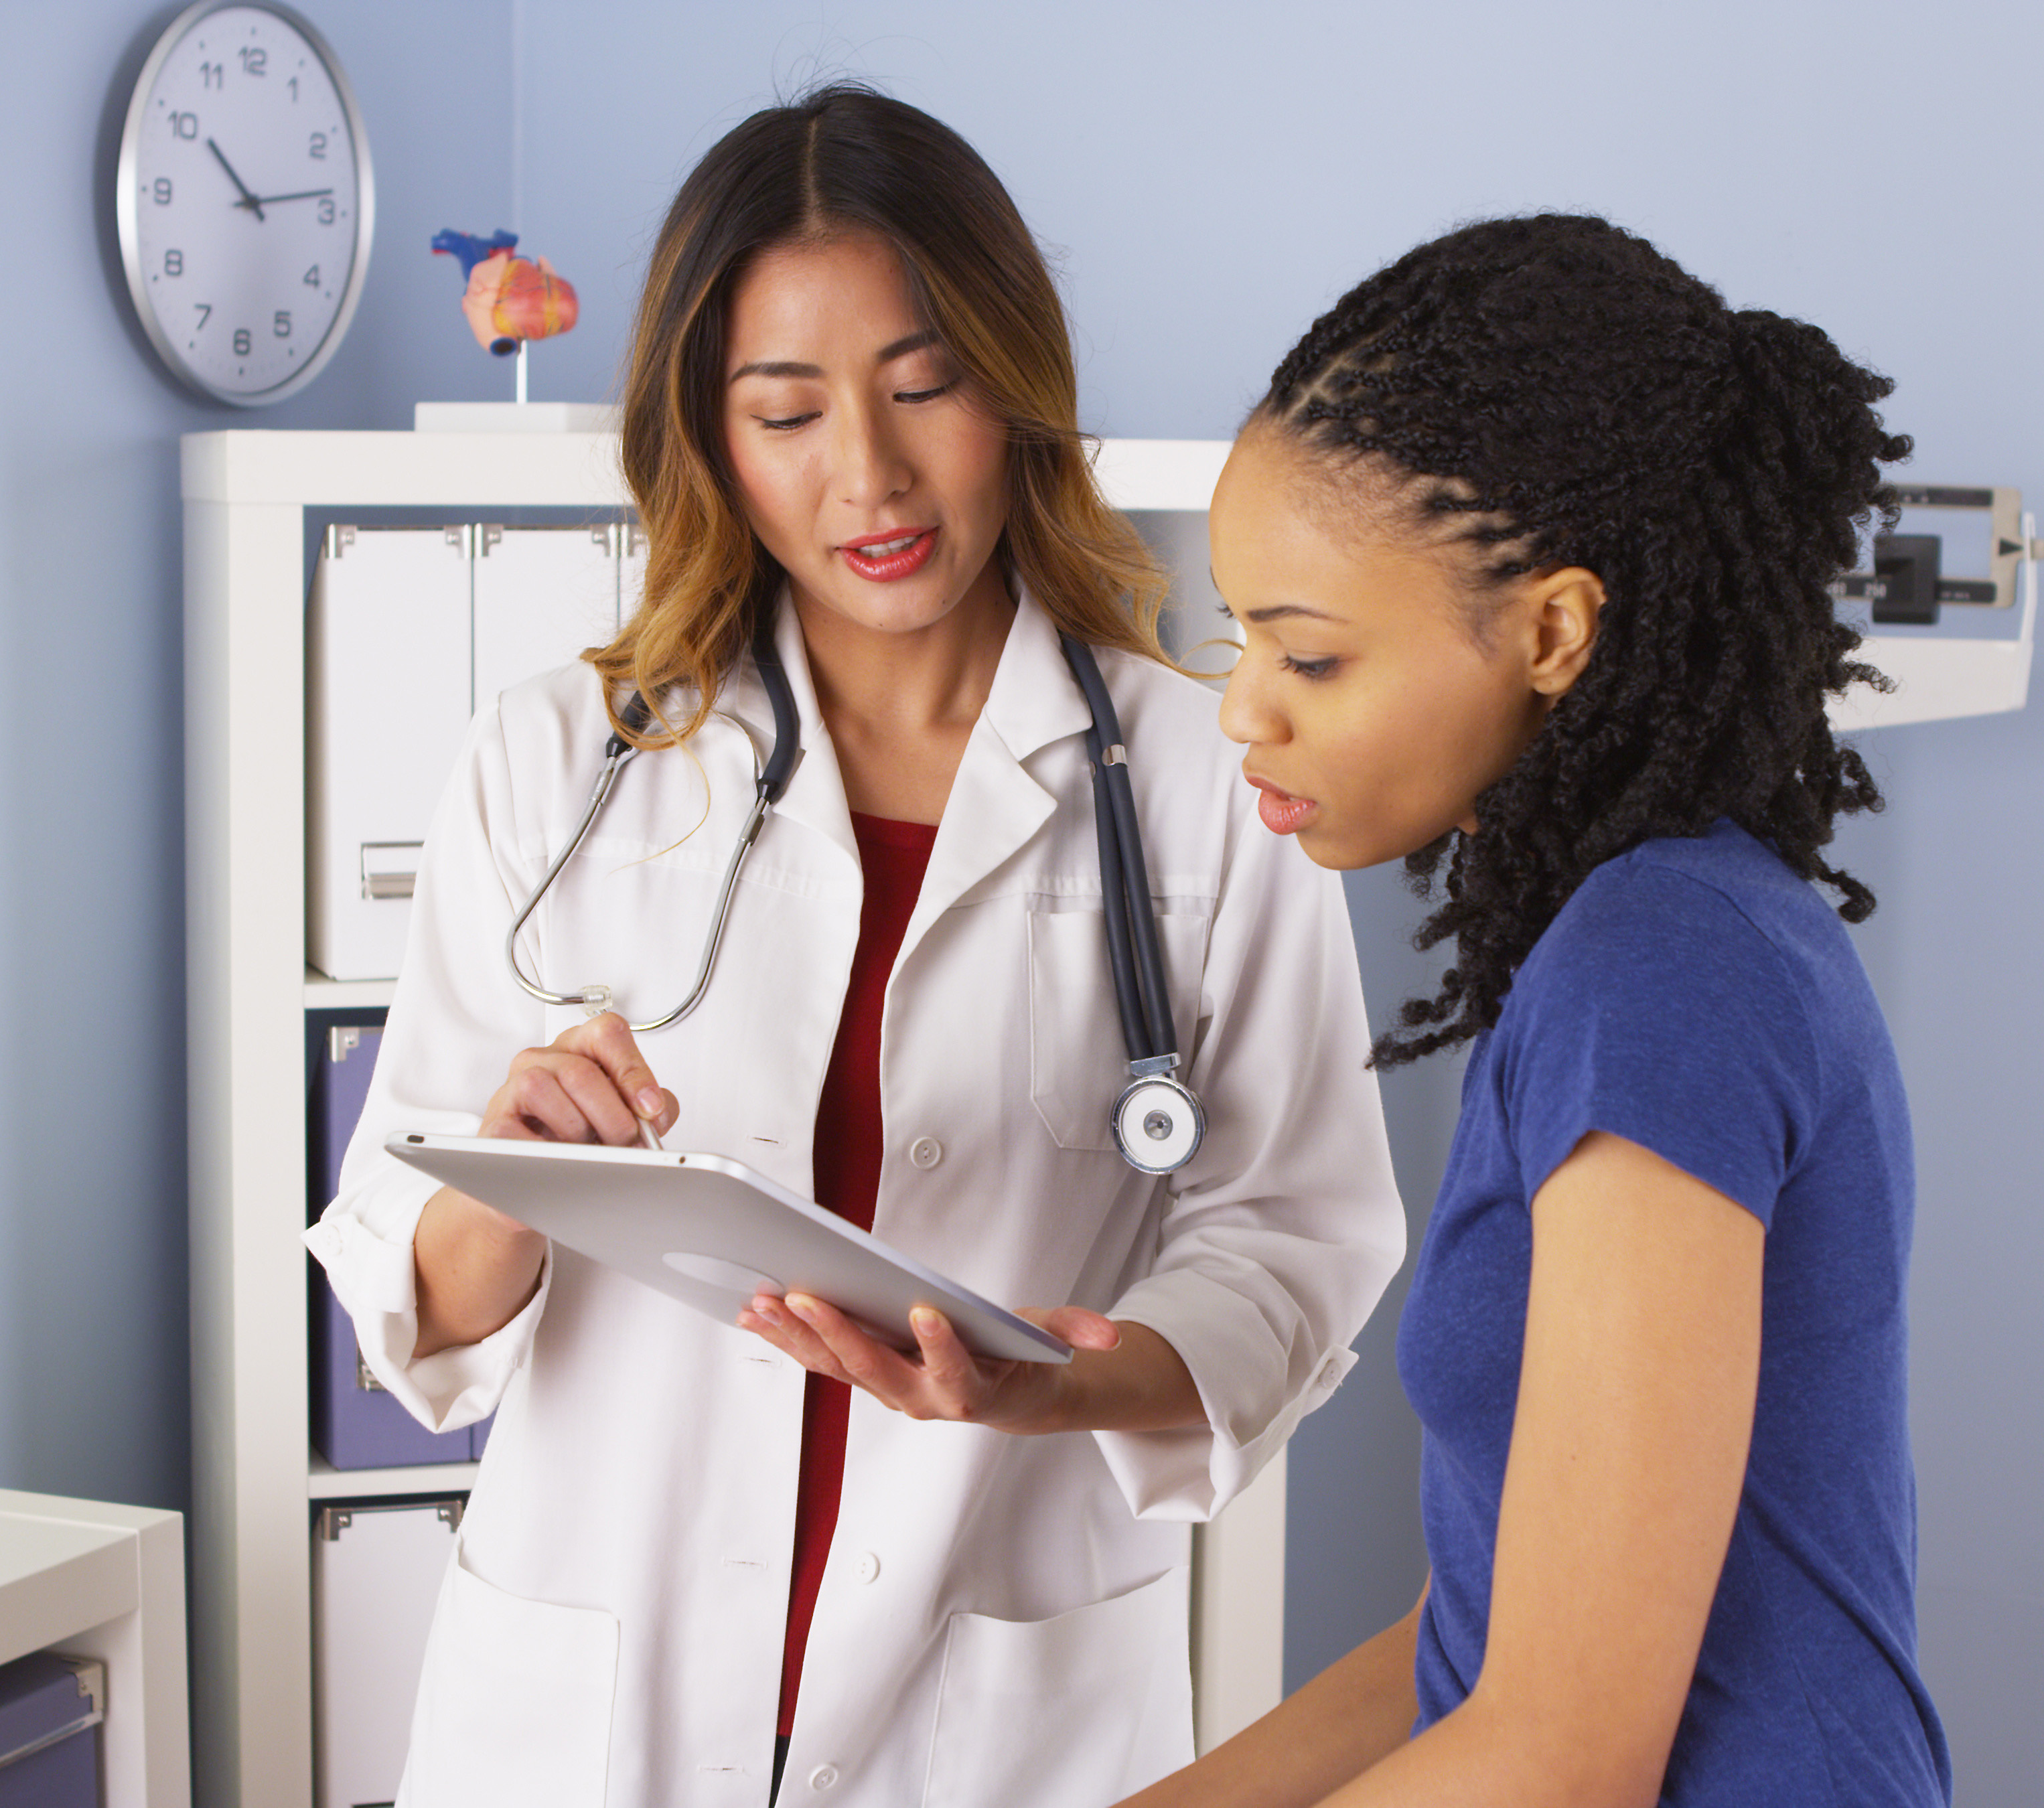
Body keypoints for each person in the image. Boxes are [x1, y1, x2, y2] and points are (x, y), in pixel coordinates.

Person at [309, 85, 1403, 1808]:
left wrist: (1070, 1386)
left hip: (1000, 1713)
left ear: (1011, 386)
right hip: (600, 1711)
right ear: (709, 435)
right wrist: (499, 1187)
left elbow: (1297, 1230)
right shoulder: (550, 764)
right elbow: (408, 1302)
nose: (867, 477)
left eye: (922, 386)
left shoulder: (1198, 780)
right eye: (786, 409)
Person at [1120, 214, 1950, 1807]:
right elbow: (1478, 1641)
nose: (1242, 706)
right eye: (1237, 638)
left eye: (1308, 653)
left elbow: (1561, 1755)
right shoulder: (1629, 942)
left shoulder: (1663, 963)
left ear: (1552, 631)